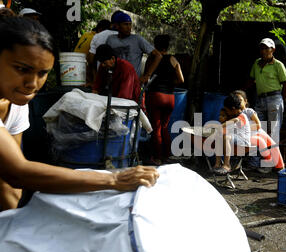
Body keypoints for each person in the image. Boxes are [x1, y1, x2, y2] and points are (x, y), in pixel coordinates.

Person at [0, 16, 159, 210]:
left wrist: (10, 223)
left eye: (42, 73)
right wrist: (113, 179)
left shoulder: (16, 102)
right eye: (21, 69)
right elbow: (17, 172)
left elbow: (8, 181)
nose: (32, 84)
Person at [144, 34, 184, 166]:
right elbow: (181, 80)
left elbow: (146, 77)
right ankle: (166, 155)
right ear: (167, 46)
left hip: (155, 96)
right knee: (165, 126)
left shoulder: (152, 58)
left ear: (155, 45)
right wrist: (170, 84)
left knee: (156, 127)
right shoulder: (173, 59)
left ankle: (157, 157)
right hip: (170, 97)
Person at [247, 38, 286, 144]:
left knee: (273, 132)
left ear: (273, 50)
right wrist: (241, 92)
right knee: (258, 129)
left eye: (267, 49)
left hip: (274, 98)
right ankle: (257, 158)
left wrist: (280, 100)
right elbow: (251, 80)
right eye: (262, 48)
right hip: (260, 99)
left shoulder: (278, 65)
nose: (264, 51)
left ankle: (272, 159)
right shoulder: (257, 63)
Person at [232, 90, 285, 172]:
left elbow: (258, 125)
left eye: (240, 100)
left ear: (245, 101)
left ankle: (281, 167)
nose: (237, 102)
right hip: (249, 136)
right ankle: (269, 162)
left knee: (273, 145)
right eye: (235, 100)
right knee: (262, 144)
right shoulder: (234, 113)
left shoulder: (249, 111)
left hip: (257, 132)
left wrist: (246, 128)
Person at [105, 12, 162, 84]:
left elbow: (158, 56)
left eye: (130, 24)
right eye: (125, 24)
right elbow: (105, 59)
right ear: (117, 26)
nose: (129, 27)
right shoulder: (111, 39)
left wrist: (147, 75)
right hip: (114, 81)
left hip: (132, 83)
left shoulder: (137, 39)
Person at [212, 93, 251, 174]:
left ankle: (227, 165)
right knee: (220, 135)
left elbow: (234, 121)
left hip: (244, 143)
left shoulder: (242, 116)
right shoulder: (232, 115)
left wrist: (219, 127)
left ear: (233, 108)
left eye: (227, 110)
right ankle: (217, 164)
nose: (226, 112)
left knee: (226, 137)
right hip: (234, 142)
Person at [87, 11, 123, 81]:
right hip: (121, 78)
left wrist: (95, 80)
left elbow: (91, 60)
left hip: (102, 79)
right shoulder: (128, 37)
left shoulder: (97, 36)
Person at [74, 19, 111, 86]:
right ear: (100, 30)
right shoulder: (96, 38)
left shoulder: (86, 34)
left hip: (73, 66)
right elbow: (91, 60)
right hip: (82, 69)